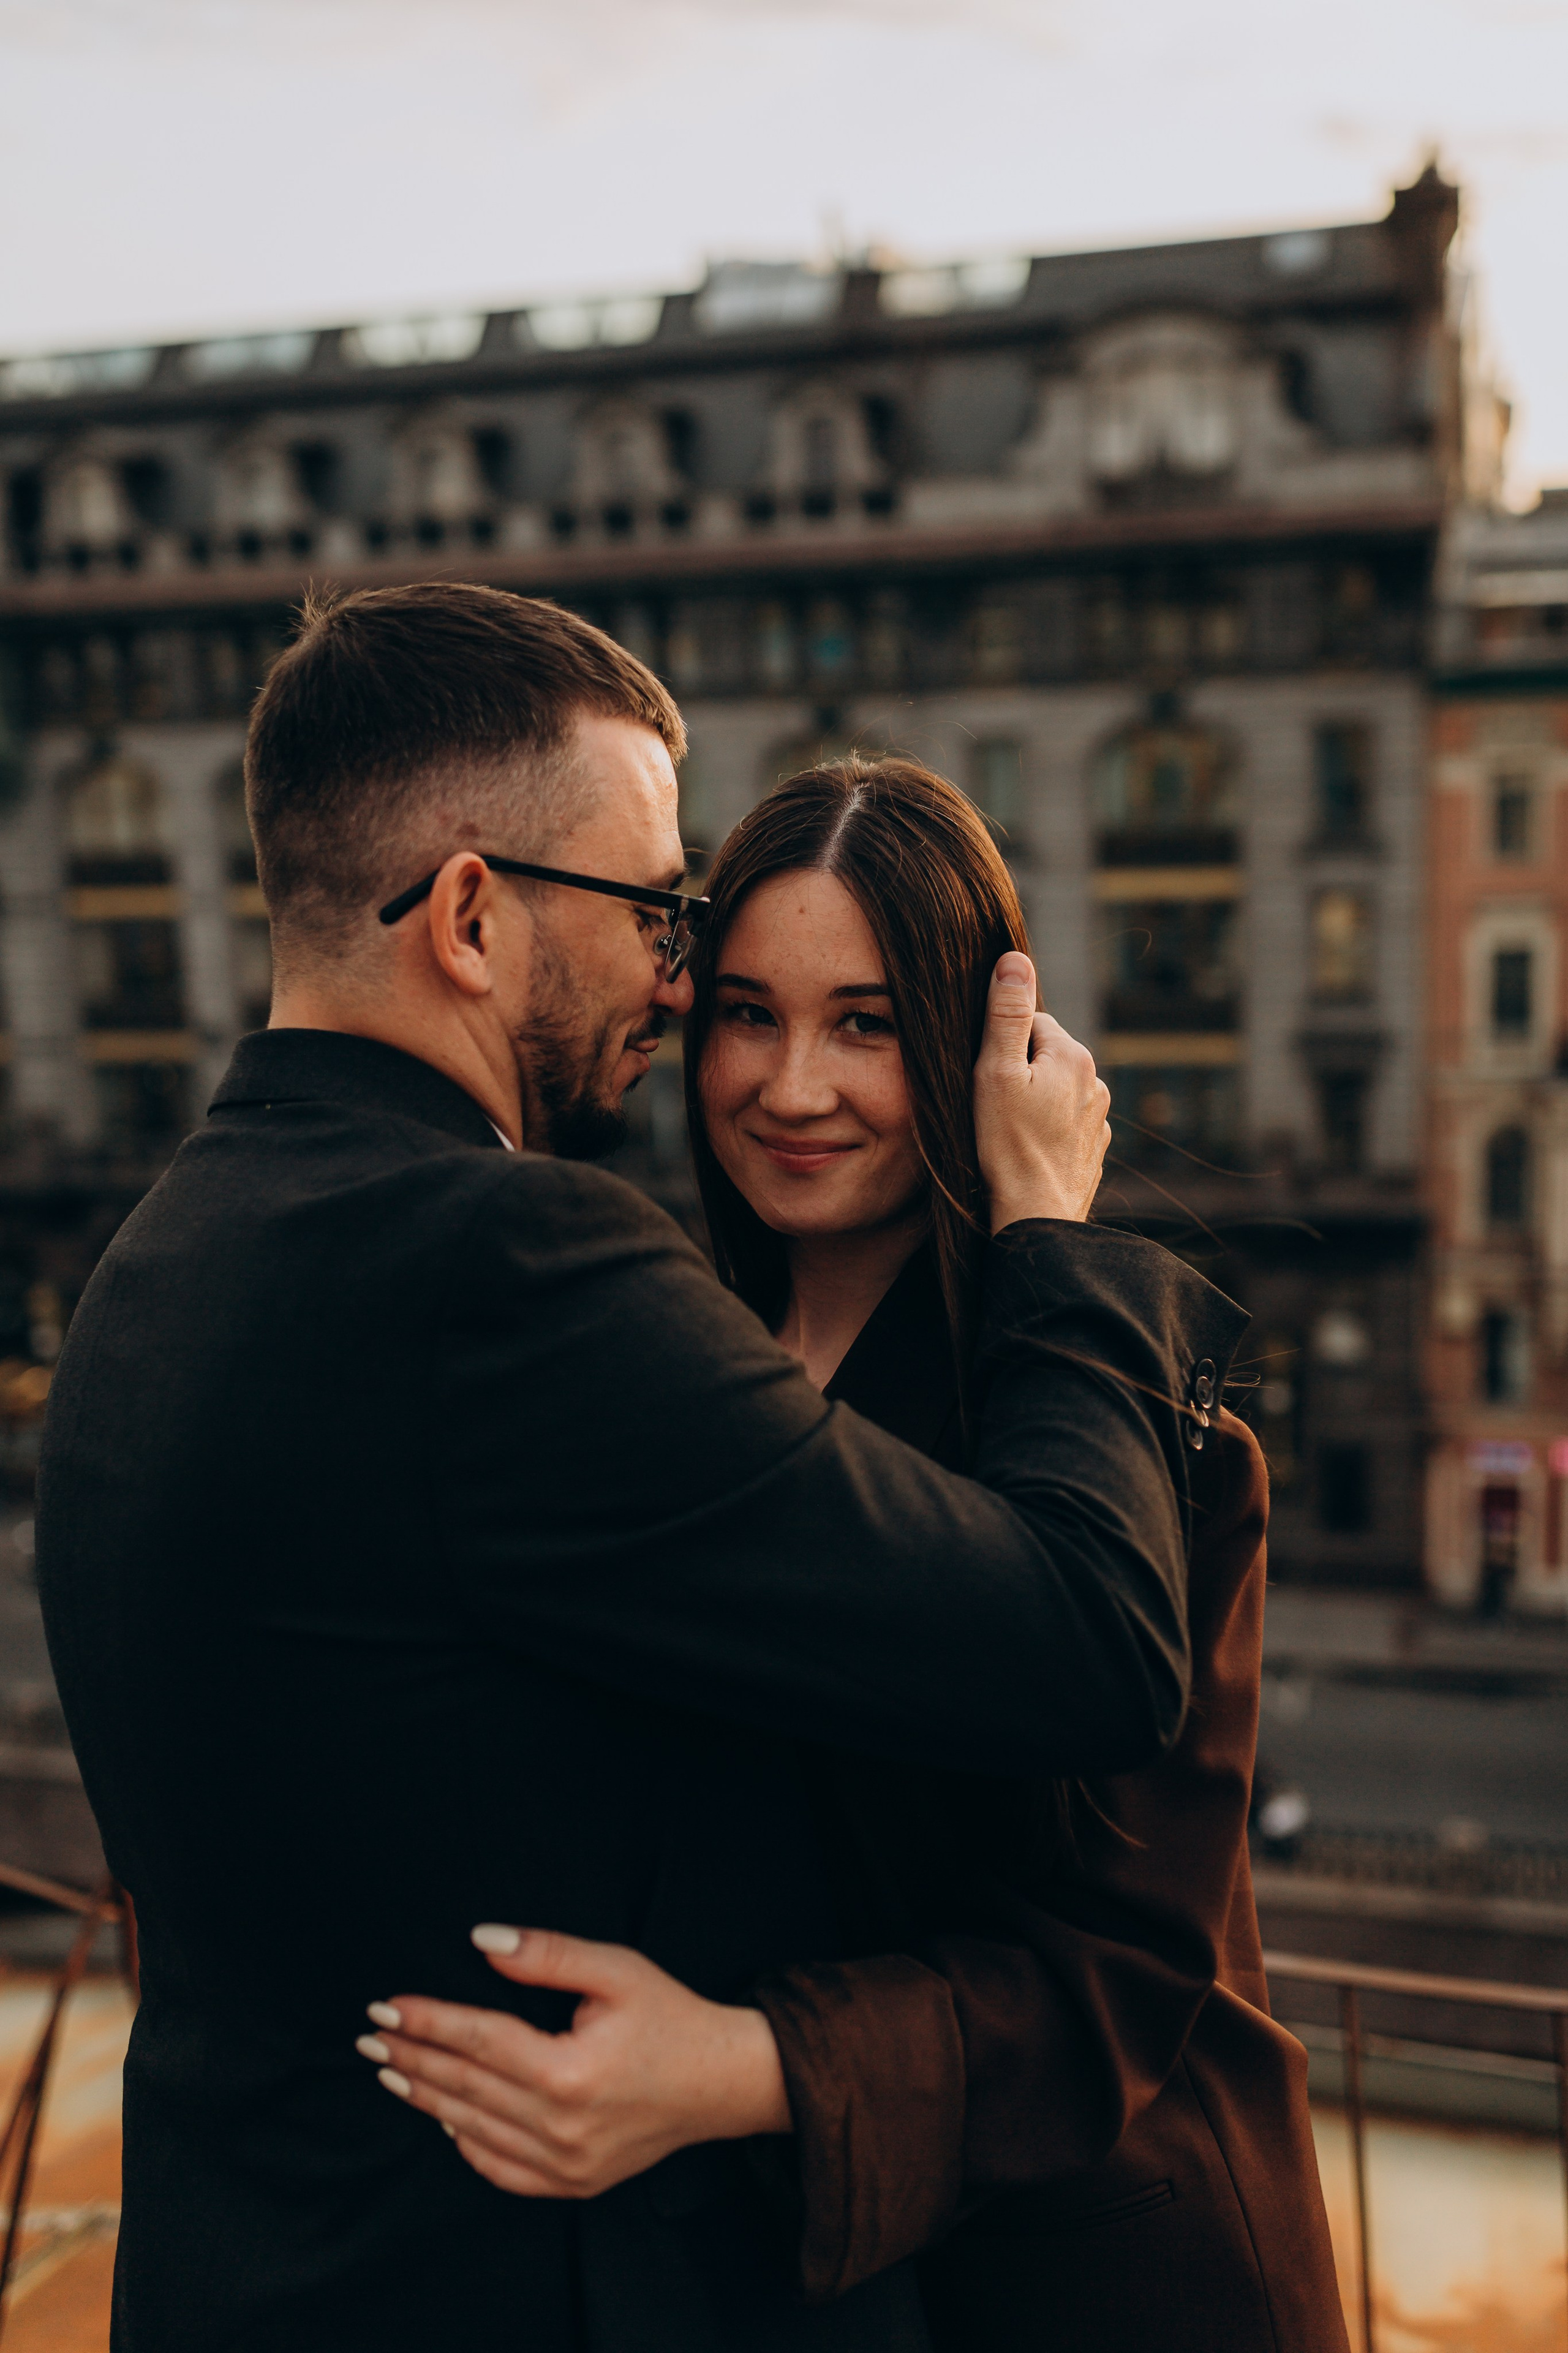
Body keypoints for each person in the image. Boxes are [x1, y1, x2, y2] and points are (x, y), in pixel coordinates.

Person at [37, 583, 1237, 2353]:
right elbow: (1087, 1637)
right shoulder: (513, 1269)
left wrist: (753, 2063)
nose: (674, 985)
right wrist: (1056, 1231)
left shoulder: (152, 1261)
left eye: (866, 1020)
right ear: (467, 914)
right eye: (659, 917)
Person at [365, 759, 1349, 2352]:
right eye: (747, 1011)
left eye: (868, 1023)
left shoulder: (1144, 1446)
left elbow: (1124, 1972)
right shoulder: (657, 1371)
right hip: (778, 2273)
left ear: (977, 1050)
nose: (792, 1084)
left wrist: (741, 2062)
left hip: (1098, 2280)